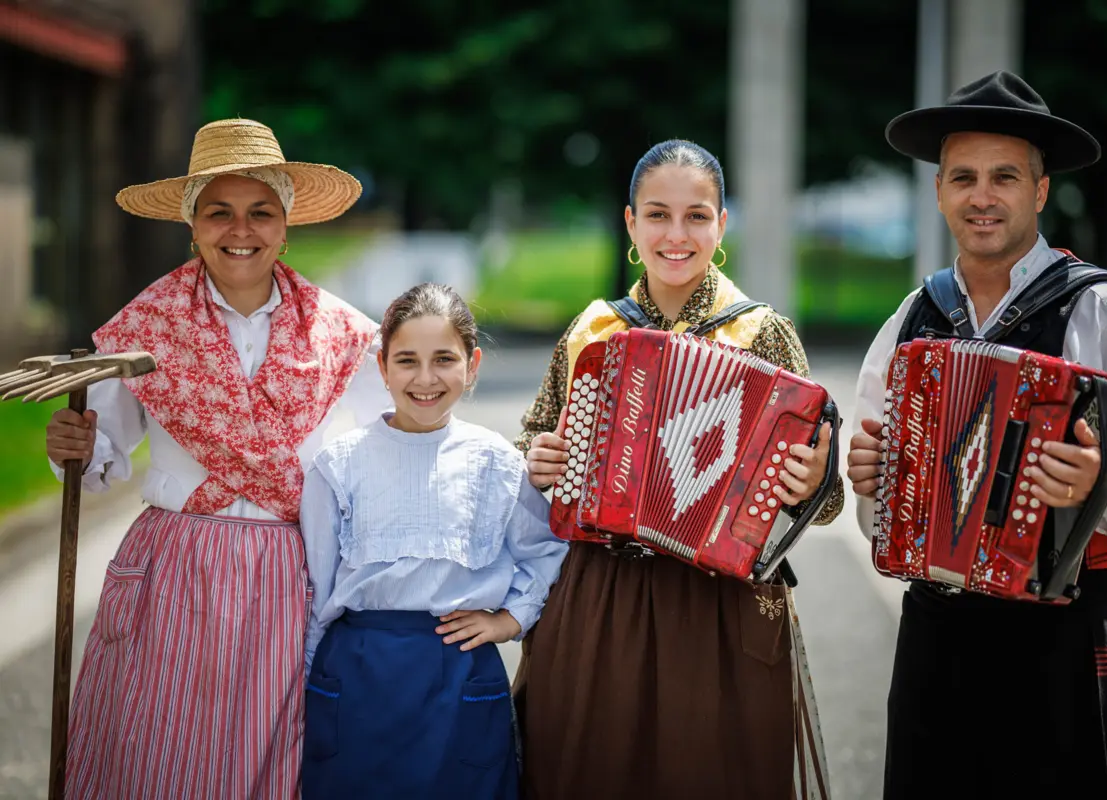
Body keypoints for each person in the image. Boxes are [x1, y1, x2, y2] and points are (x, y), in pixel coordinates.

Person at [847, 71, 1107, 799]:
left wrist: (1104, 480)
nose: (983, 196)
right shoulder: (915, 315)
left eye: (1005, 176)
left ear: (1040, 192)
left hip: (1060, 637)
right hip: (934, 634)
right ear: (940, 191)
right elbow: (875, 483)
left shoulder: (1103, 309)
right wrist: (872, 474)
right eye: (964, 177)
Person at [43, 118, 392, 799]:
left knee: (276, 750)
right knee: (161, 749)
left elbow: (386, 451)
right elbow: (101, 453)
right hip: (177, 568)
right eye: (219, 213)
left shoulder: (344, 335)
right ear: (192, 226)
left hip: (294, 568)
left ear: (286, 226)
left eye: (261, 213)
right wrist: (75, 449)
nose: (241, 229)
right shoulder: (146, 326)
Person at [513, 139, 845, 800]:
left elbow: (826, 496)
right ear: (631, 225)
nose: (677, 233)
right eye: (657, 215)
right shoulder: (594, 330)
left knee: (710, 771)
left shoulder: (764, 334)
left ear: (722, 226)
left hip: (718, 602)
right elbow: (535, 434)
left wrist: (813, 484)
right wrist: (541, 458)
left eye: (697, 216)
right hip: (601, 593)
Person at [298, 282, 568, 799]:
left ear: (473, 365)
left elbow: (547, 550)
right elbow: (315, 590)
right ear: (381, 367)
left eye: (444, 358)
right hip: (356, 676)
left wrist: (510, 618)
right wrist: (312, 687)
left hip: (458, 673)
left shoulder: (497, 462)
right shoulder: (338, 465)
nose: (426, 379)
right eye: (407, 360)